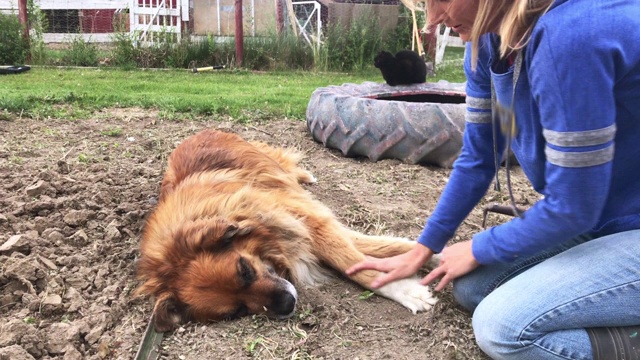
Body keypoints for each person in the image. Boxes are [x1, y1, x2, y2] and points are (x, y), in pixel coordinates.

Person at [346, 0, 640, 358]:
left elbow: (573, 206)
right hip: (604, 215)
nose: (433, 19)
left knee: (504, 329)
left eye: (440, 1)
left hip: (608, 217)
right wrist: (423, 248)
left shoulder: (572, 38)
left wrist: (478, 246)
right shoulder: (491, 45)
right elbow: (480, 156)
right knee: (470, 286)